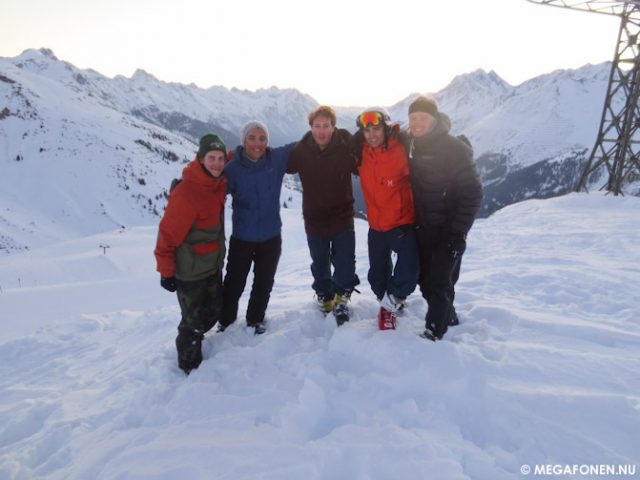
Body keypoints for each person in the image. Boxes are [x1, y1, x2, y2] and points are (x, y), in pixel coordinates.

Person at [403, 96, 483, 341]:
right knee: (425, 280)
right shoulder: (412, 143)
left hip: (447, 230)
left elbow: (472, 192)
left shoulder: (453, 149)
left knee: (439, 282)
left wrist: (458, 232)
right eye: (413, 118)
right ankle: (448, 315)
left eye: (423, 118)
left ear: (434, 119)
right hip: (422, 227)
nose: (417, 122)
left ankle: (434, 331)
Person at [154, 134, 227, 373]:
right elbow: (167, 234)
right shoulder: (187, 193)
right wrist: (166, 271)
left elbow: (233, 157)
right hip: (190, 272)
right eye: (211, 158)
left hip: (212, 265)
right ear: (201, 159)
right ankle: (189, 367)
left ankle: (196, 340)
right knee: (193, 323)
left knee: (212, 312)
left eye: (221, 158)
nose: (217, 163)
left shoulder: (216, 183)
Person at [218, 121, 295, 335]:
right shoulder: (232, 169)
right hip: (242, 237)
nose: (257, 144)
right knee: (234, 283)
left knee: (264, 282)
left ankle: (255, 319)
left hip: (271, 237)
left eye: (262, 139)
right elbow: (212, 191)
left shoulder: (276, 159)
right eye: (252, 138)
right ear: (243, 141)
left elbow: (300, 145)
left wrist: (333, 135)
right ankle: (225, 321)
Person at [288, 105, 360, 325]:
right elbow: (278, 163)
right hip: (315, 218)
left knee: (345, 263)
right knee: (320, 263)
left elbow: (365, 163)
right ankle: (324, 295)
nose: (321, 131)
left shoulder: (346, 146)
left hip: (342, 215)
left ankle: (341, 298)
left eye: (326, 126)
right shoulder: (301, 151)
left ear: (333, 126)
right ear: (311, 127)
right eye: (317, 126)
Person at [352, 109, 419, 330]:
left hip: (401, 222)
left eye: (377, 129)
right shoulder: (359, 151)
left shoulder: (402, 149)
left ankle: (392, 303)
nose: (372, 135)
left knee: (409, 269)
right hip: (376, 226)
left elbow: (422, 174)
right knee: (376, 277)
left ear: (386, 128)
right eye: (367, 131)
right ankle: (388, 300)